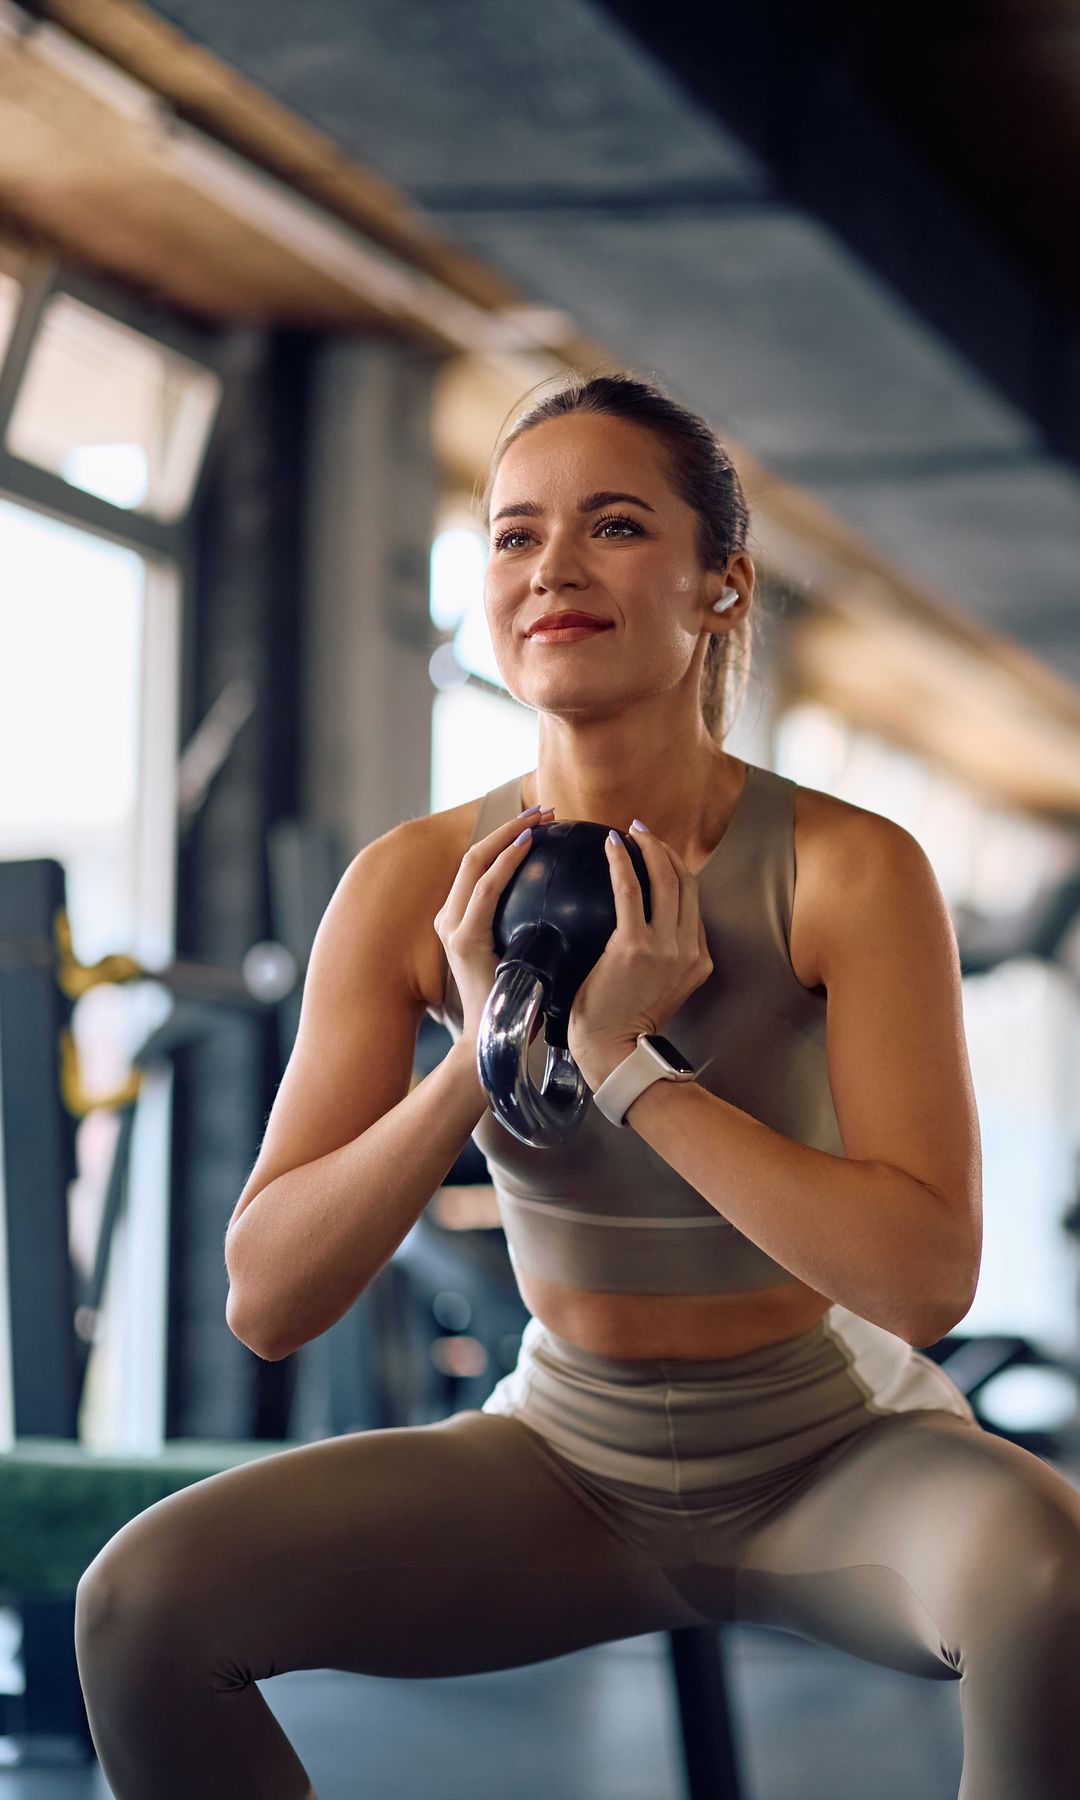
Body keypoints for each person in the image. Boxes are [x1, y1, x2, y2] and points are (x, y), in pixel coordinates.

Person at [75, 371, 1080, 1799]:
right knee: (144, 1605)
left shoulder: (851, 869)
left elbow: (923, 1285)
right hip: (562, 1460)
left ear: (721, 584)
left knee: (1053, 1585)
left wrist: (628, 1067)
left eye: (613, 526)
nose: (551, 567)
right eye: (513, 534)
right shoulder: (412, 885)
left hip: (831, 1460)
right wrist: (481, 1050)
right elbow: (269, 1298)